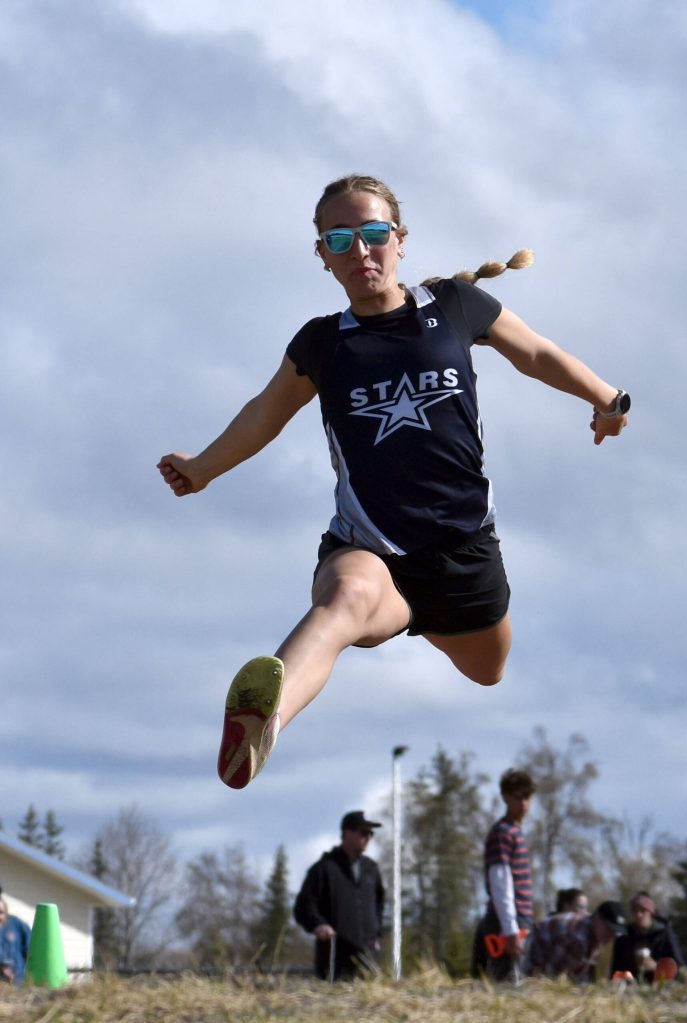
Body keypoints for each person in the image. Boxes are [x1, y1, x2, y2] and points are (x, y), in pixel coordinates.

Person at [158, 174, 631, 789]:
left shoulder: (454, 308)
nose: (360, 250)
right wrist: (202, 469)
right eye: (340, 239)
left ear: (400, 241)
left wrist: (607, 399)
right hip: (370, 545)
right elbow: (263, 414)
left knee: (489, 670)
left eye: (374, 234)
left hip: (462, 550)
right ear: (323, 257)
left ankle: (417, 617)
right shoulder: (322, 344)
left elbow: (536, 352)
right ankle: (265, 720)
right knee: (343, 601)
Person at [293, 810, 385, 980]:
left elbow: (379, 904)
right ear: (347, 833)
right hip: (335, 961)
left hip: (368, 961)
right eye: (363, 832)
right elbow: (303, 907)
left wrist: (376, 934)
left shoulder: (371, 870)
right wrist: (318, 925)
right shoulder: (324, 869)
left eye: (370, 833)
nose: (368, 838)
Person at [471, 768, 535, 980]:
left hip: (519, 918)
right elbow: (500, 883)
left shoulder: (515, 831)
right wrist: (510, 929)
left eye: (528, 797)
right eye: (519, 797)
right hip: (507, 921)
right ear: (506, 798)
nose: (524, 803)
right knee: (508, 985)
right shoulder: (503, 833)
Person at [529, 900, 627, 982]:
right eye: (608, 929)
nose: (611, 936)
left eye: (615, 932)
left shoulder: (593, 932)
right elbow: (554, 976)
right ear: (597, 918)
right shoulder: (578, 938)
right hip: (528, 951)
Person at [610, 890, 683, 982]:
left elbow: (678, 967)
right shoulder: (625, 936)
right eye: (634, 910)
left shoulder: (664, 934)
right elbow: (616, 970)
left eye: (642, 910)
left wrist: (656, 967)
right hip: (630, 988)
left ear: (650, 912)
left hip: (660, 988)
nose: (638, 915)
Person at [0, 896, 31, 986]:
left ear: (6, 912)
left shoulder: (16, 925)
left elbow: (32, 948)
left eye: (1, 912)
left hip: (19, 982)